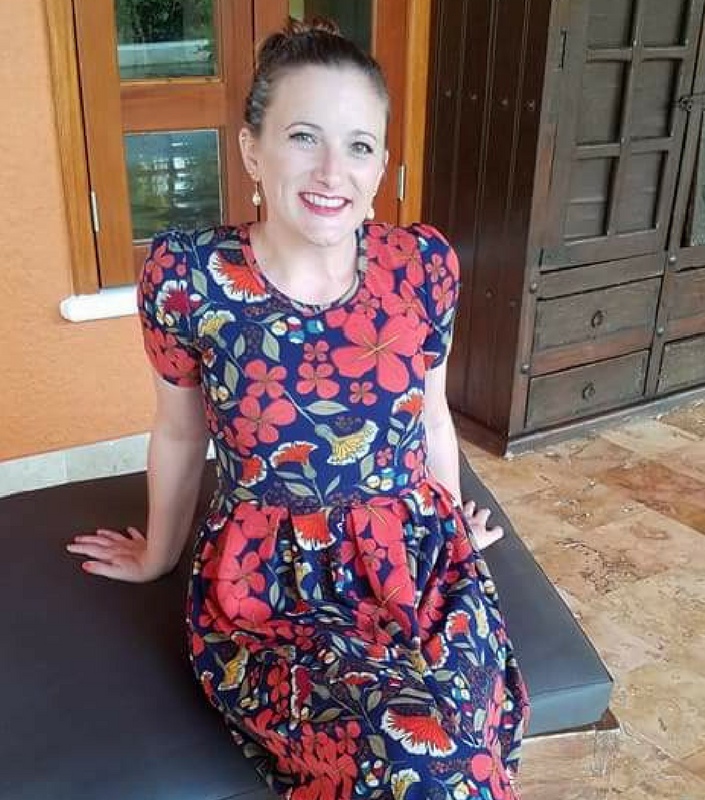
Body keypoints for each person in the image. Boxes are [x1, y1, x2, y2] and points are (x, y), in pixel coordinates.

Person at [65, 16, 530, 800]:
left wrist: (452, 525)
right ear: (252, 150)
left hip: (416, 563)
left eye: (359, 146)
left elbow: (431, 416)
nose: (332, 171)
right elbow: (178, 434)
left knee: (468, 741)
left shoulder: (422, 267)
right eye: (303, 137)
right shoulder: (191, 281)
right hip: (275, 589)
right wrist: (160, 555)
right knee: (420, 762)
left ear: (381, 163)